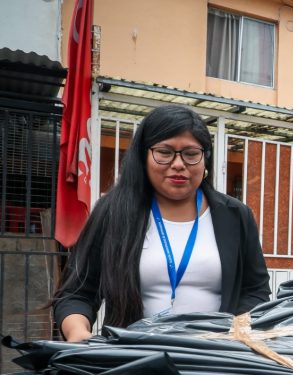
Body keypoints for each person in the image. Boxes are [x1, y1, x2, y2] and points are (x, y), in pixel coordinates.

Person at [54, 104, 270, 340]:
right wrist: (78, 333)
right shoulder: (113, 212)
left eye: (191, 153)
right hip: (133, 360)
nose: (178, 164)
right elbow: (77, 293)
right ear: (143, 157)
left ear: (205, 160)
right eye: (164, 152)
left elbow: (255, 291)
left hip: (215, 360)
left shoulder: (236, 215)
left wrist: (240, 332)